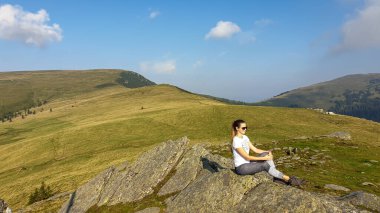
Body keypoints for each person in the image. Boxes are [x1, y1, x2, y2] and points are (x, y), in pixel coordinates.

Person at [231, 119, 304, 186]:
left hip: (248, 163)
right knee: (264, 164)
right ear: (237, 128)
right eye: (243, 128)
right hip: (241, 168)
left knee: (266, 154)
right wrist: (264, 158)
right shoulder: (236, 141)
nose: (245, 129)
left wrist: (267, 152)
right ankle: (288, 179)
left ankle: (276, 178)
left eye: (246, 127)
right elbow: (247, 157)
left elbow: (255, 149)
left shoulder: (245, 137)